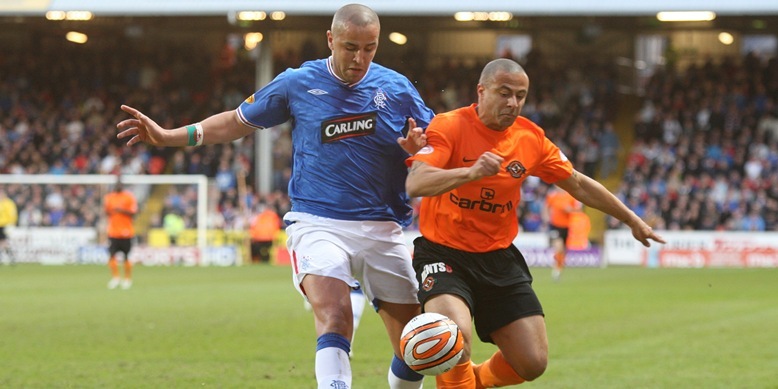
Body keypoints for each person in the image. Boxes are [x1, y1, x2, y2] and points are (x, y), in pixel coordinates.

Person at [116, 4, 434, 388]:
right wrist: (170, 136)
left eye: (370, 48)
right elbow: (235, 121)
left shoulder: (397, 87)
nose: (360, 58)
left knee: (417, 344)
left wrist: (420, 149)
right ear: (331, 40)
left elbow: (434, 144)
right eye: (350, 47)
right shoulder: (298, 82)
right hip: (319, 222)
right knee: (335, 316)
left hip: (383, 226)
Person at [405, 58, 666, 388]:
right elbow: (417, 182)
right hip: (444, 254)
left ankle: (478, 381)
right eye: (504, 93)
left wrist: (631, 218)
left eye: (520, 95)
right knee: (453, 342)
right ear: (481, 91)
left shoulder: (530, 139)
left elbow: (577, 183)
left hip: (497, 257)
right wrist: (470, 173)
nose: (512, 103)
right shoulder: (449, 126)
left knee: (532, 362)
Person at [104, 177, 138, 290]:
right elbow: (107, 212)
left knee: (126, 256)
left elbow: (134, 213)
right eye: (116, 184)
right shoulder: (109, 198)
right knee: (111, 255)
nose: (118, 186)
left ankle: (127, 279)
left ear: (122, 186)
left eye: (120, 184)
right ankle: (116, 278)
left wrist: (121, 210)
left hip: (126, 232)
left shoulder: (129, 197)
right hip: (113, 232)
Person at [543, 185, 582, 281]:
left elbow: (578, 209)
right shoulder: (552, 196)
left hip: (566, 226)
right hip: (555, 225)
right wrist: (546, 217)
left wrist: (570, 210)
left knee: (563, 250)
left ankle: (558, 268)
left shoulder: (570, 197)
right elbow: (546, 207)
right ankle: (556, 268)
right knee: (559, 247)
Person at [0, 187, 18, 265]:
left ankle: (10, 257)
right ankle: (11, 257)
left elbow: (13, 214)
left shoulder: (9, 203)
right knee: (4, 242)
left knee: (3, 242)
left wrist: (11, 224)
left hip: (5, 225)